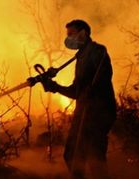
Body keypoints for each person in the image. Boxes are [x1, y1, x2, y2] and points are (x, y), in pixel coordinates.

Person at [42, 19, 117, 179]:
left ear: (83, 33)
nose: (68, 38)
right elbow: (76, 92)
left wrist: (93, 89)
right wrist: (54, 87)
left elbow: (104, 75)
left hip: (98, 112)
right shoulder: (80, 57)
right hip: (83, 111)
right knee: (71, 154)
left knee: (94, 155)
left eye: (71, 34)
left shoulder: (98, 51)